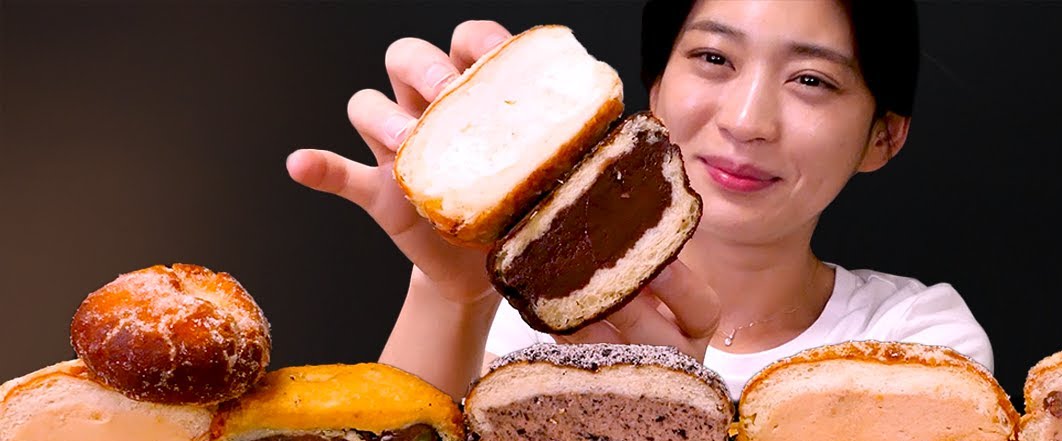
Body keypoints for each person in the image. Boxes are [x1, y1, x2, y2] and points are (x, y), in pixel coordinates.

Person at [286, 0, 992, 400]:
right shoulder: (525, 324)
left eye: (812, 81)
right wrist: (451, 296)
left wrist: (688, 399)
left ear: (884, 138)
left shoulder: (915, 347)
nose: (747, 120)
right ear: (654, 87)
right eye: (714, 59)